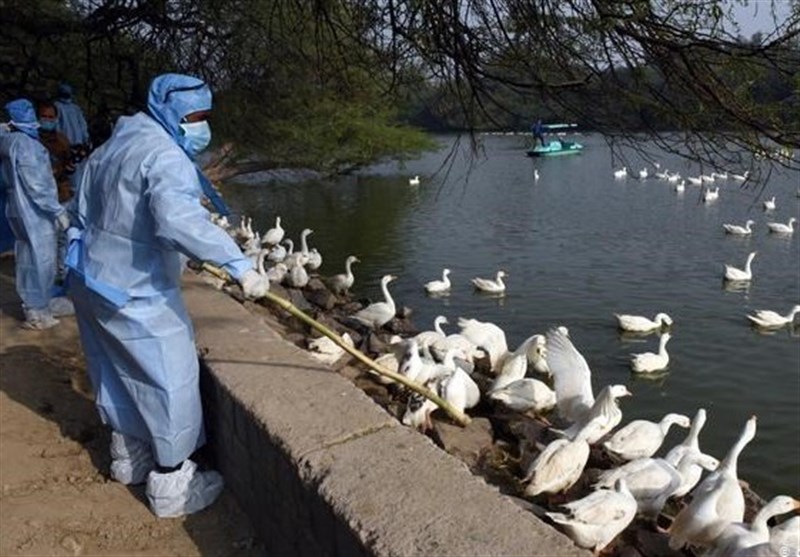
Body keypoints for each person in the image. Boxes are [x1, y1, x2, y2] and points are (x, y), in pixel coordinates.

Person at [66, 73, 269, 518]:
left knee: (116, 371)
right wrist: (237, 265)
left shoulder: (111, 147)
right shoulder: (162, 155)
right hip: (134, 290)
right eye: (196, 117)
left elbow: (80, 209)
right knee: (169, 376)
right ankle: (173, 485)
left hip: (91, 278)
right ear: (171, 112)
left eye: (205, 117)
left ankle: (129, 459)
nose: (202, 126)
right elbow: (178, 220)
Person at [0, 99, 72, 329]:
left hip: (20, 209)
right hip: (35, 212)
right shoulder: (26, 145)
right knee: (41, 259)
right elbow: (37, 185)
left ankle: (37, 305)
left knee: (29, 259)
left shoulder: (10, 140)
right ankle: (37, 310)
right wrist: (56, 209)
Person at [37, 100, 75, 203]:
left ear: (56, 119)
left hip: (58, 191)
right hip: (37, 189)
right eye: (44, 116)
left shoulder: (62, 140)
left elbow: (68, 166)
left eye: (51, 117)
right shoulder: (32, 140)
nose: (47, 120)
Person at [54, 82, 91, 150]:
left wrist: (85, 138)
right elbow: (56, 124)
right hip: (65, 142)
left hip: (78, 142)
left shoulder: (75, 108)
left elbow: (82, 124)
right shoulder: (57, 106)